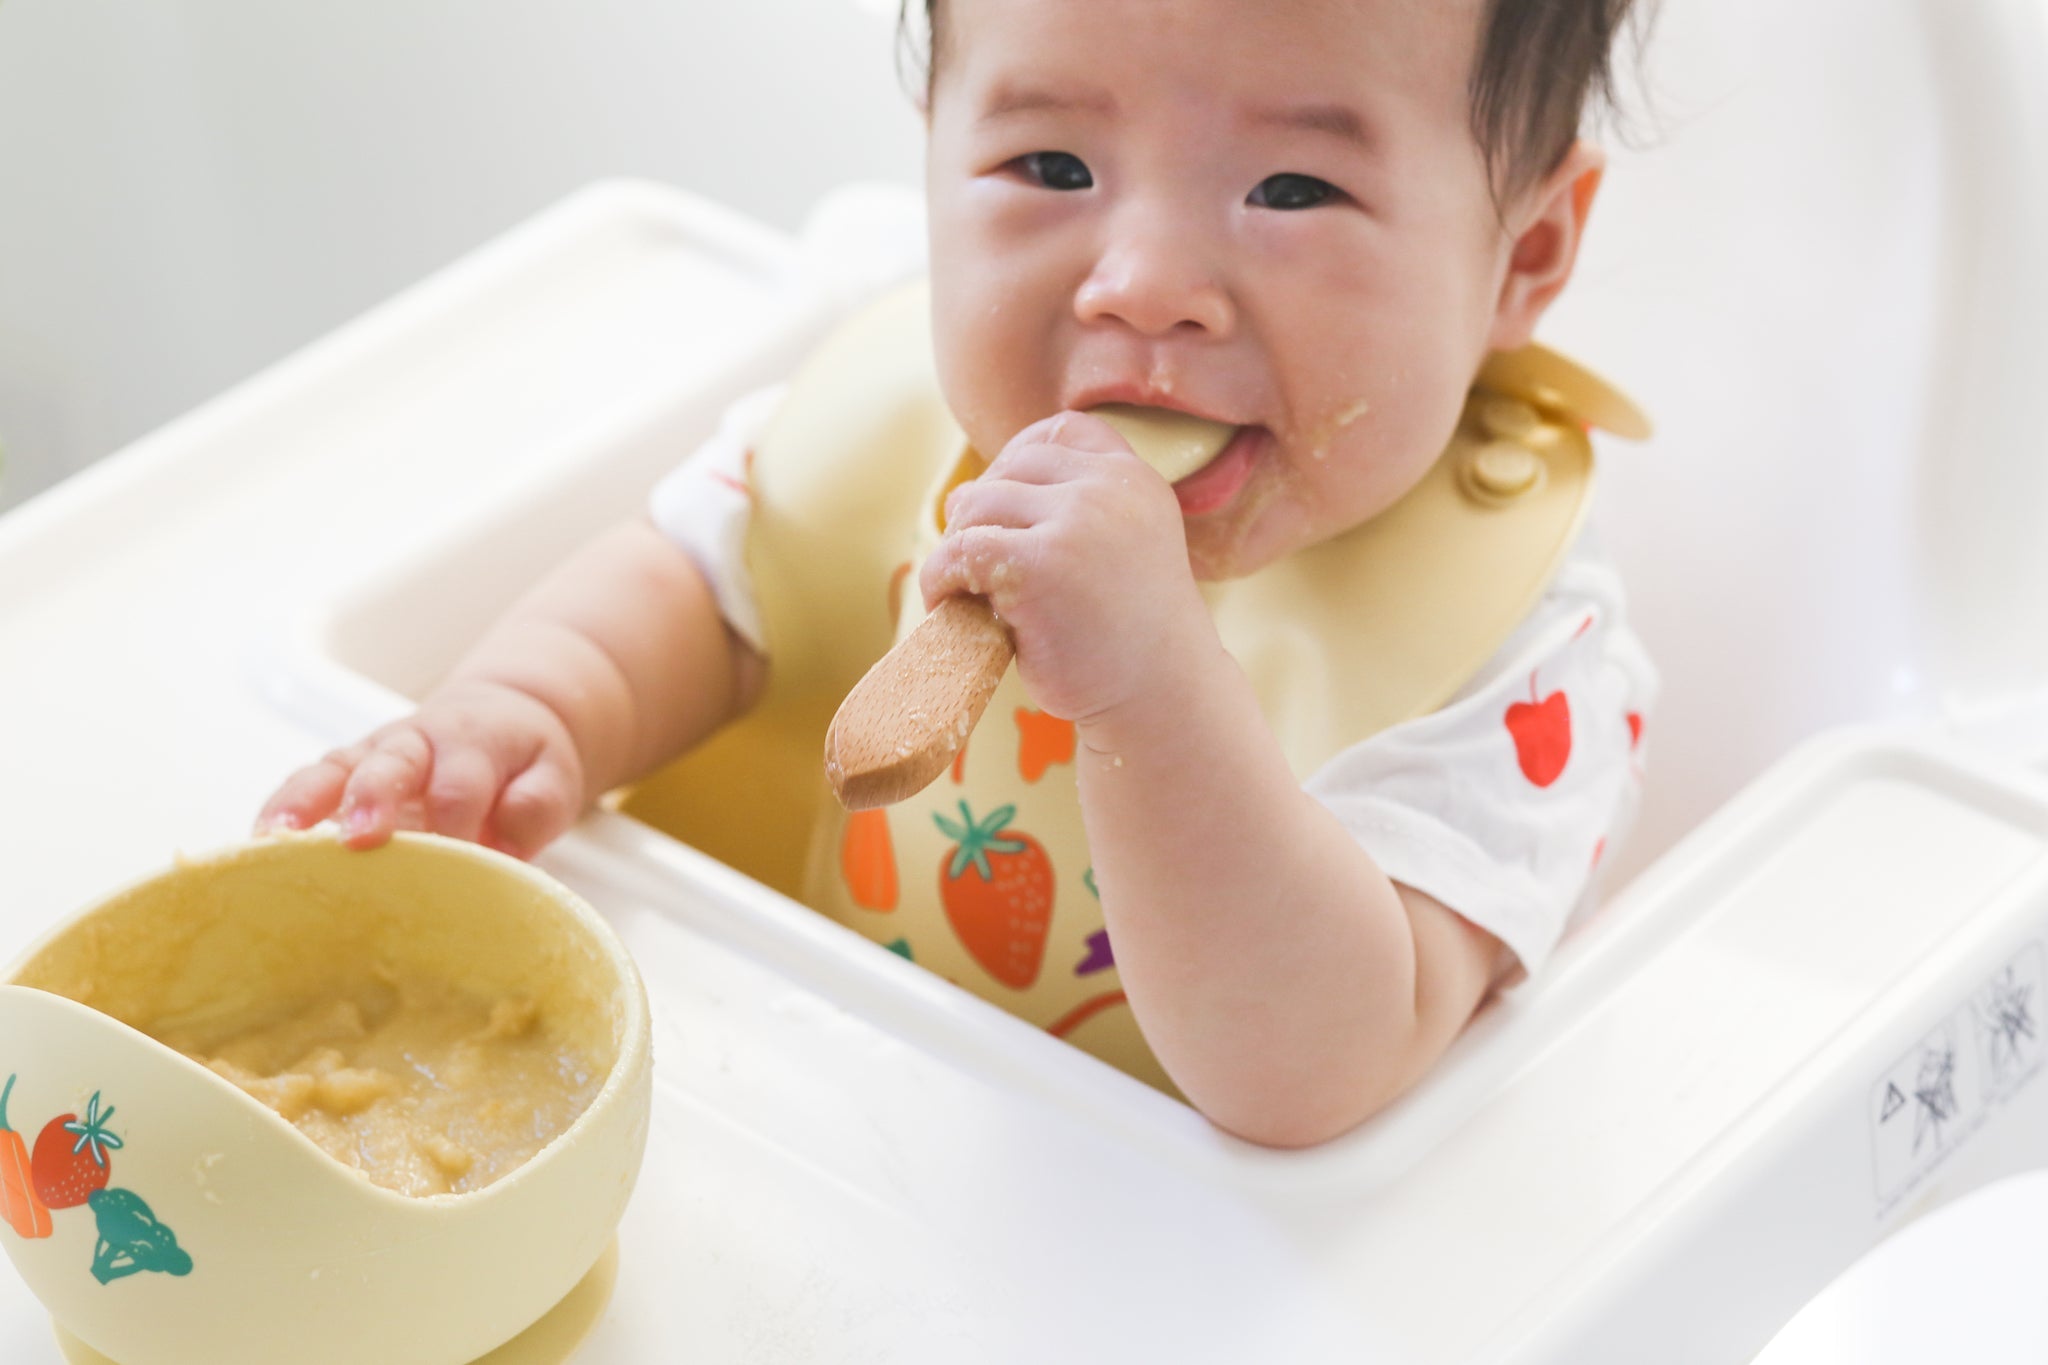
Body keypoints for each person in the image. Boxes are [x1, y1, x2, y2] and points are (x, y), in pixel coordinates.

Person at [258, 0, 1656, 1147]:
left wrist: (1154, 688)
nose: (1143, 281)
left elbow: (1315, 1067)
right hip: (815, 1127)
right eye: (1051, 168)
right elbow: (702, 589)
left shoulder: (1512, 646)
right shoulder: (885, 421)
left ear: (1524, 252)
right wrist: (528, 718)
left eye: (1293, 188)